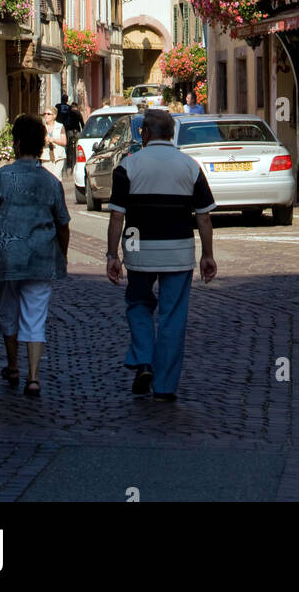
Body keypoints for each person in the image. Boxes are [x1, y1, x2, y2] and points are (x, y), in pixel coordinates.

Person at [105, 108, 217, 402]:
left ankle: (144, 359)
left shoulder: (128, 166)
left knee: (138, 303)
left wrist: (112, 255)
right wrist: (208, 254)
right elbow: (204, 218)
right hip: (179, 250)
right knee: (173, 316)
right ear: (171, 134)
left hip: (138, 249)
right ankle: (165, 386)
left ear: (145, 133)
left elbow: (117, 216)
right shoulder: (190, 166)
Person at [0, 113, 70, 397]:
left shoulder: (2, 177)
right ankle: (33, 376)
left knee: (8, 310)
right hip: (40, 257)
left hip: (4, 255)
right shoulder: (51, 182)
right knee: (35, 316)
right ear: (42, 145)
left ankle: (13, 366)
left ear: (16, 144)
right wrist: (61, 254)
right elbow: (63, 223)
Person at [41, 108, 67, 180]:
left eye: (48, 114)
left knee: (56, 178)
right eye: (44, 114)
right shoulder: (42, 127)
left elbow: (64, 142)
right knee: (48, 179)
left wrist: (54, 140)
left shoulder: (60, 126)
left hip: (58, 156)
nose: (46, 116)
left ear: (54, 116)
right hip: (46, 157)